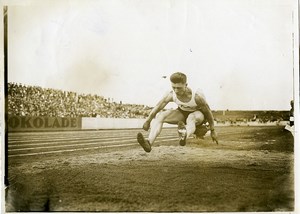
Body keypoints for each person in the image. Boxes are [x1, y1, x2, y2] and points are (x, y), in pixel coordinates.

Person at [137, 72, 218, 152]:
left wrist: (213, 130)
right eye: (173, 87)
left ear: (186, 85)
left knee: (191, 118)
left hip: (198, 115)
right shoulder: (171, 94)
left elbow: (208, 112)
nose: (176, 90)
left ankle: (184, 136)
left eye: (179, 88)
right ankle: (149, 142)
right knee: (160, 116)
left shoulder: (197, 96)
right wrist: (148, 120)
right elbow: (158, 106)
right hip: (182, 113)